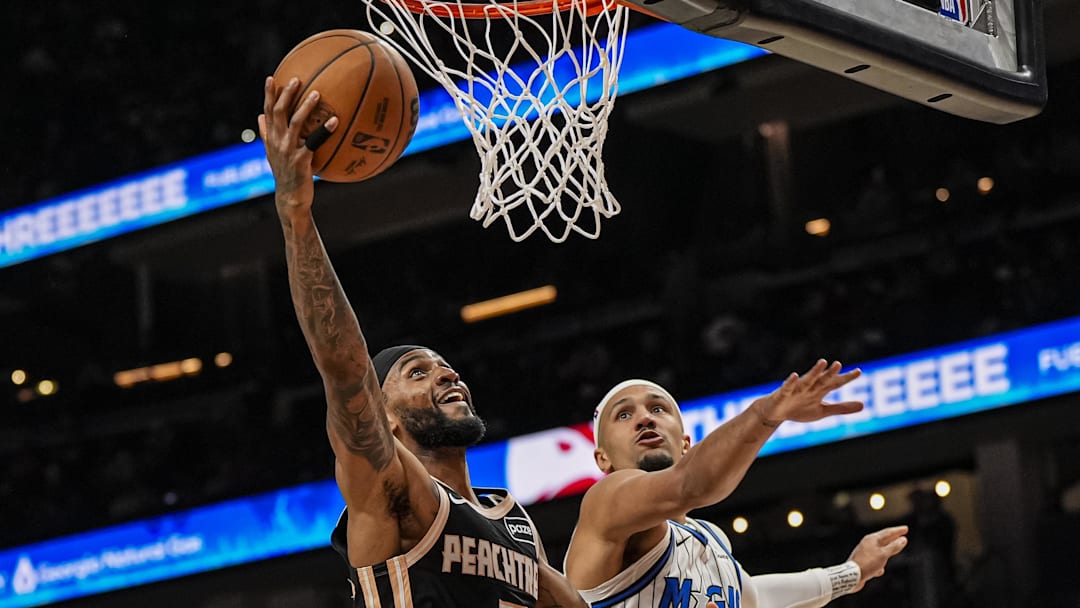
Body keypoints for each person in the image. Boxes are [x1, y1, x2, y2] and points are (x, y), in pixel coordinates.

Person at [258, 75, 585, 608]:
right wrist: (296, 217)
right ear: (385, 417)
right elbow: (345, 373)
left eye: (443, 367)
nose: (447, 374)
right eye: (417, 372)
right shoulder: (391, 489)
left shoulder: (511, 519)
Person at [565, 364, 910, 608]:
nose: (645, 418)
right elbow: (690, 485)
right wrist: (765, 415)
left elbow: (758, 598)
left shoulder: (712, 540)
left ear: (686, 444)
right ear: (603, 459)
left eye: (658, 408)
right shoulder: (606, 503)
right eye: (624, 415)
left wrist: (851, 573)